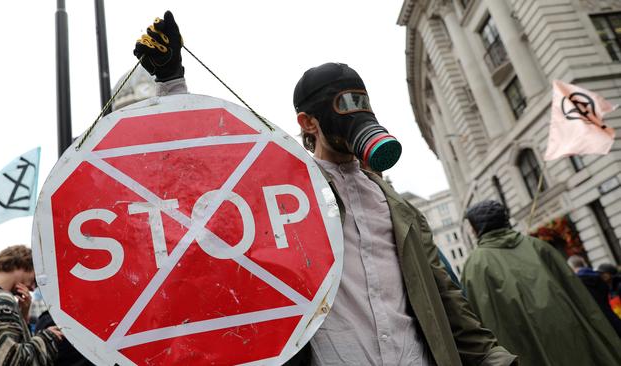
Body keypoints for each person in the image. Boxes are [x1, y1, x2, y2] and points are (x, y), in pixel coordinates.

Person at [133, 11, 517, 365]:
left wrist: (494, 360)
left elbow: (445, 297)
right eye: (342, 104)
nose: (357, 113)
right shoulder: (283, 192)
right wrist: (171, 86)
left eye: (362, 101)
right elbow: (200, 192)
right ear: (308, 122)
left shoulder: (396, 207)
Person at [461, 200, 621, 366]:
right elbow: (582, 301)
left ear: (476, 229)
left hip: (522, 353)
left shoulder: (475, 265)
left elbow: (479, 321)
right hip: (573, 346)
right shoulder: (539, 247)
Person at [0, 245, 63, 365]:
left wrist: (23, 315)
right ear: (24, 264)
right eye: (35, 280)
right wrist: (47, 338)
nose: (32, 288)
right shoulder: (1, 300)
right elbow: (9, 360)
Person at [567, 255, 621, 336]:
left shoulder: (577, 283)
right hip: (613, 318)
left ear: (571, 268)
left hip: (602, 325)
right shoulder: (597, 276)